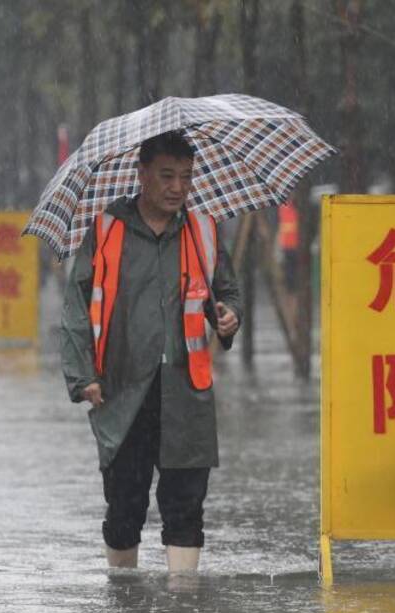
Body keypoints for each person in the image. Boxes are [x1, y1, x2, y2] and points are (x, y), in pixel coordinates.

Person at [61, 131, 242, 573]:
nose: (177, 187)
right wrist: (82, 377)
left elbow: (229, 292)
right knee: (125, 507)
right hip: (123, 391)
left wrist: (229, 316)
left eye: (185, 176)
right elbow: (76, 309)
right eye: (166, 176)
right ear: (141, 174)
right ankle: (126, 609)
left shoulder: (202, 230)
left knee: (186, 508)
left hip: (187, 390)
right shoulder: (106, 230)